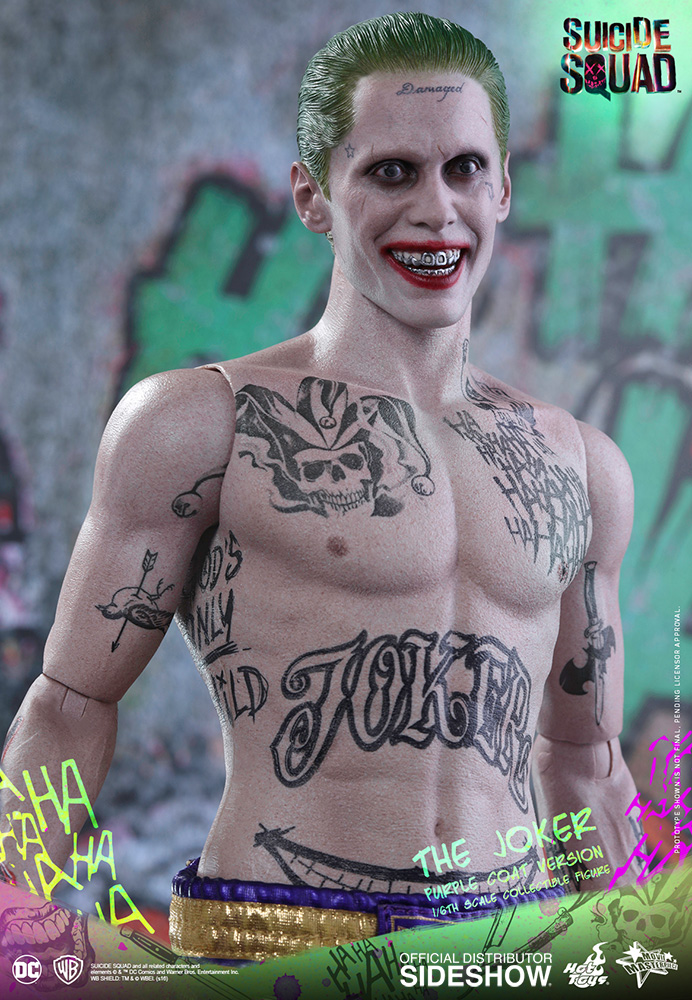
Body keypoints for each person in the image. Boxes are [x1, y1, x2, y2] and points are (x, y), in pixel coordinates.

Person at [0, 12, 639, 963]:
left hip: (513, 949)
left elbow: (585, 761)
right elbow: (67, 708)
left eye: (464, 169)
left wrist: (629, 958)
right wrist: (20, 938)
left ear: (503, 187)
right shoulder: (199, 422)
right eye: (392, 172)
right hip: (276, 947)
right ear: (312, 195)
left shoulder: (581, 465)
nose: (436, 209)